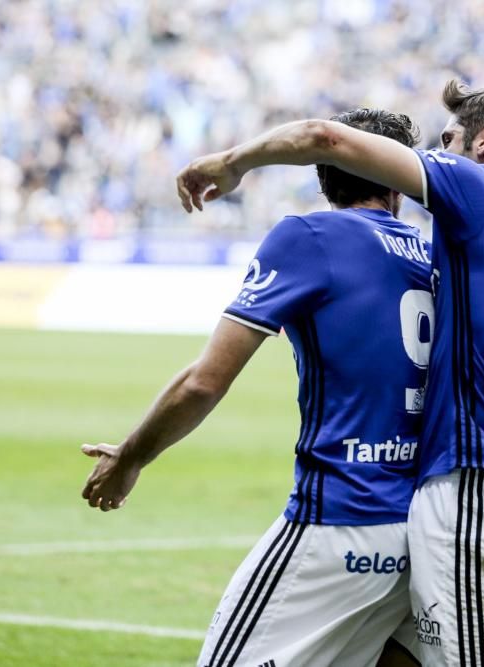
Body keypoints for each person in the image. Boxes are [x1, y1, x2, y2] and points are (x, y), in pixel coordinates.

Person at [176, 80, 484, 667]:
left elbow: (325, 136)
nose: (439, 155)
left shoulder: (482, 191)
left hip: (472, 494)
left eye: (449, 141)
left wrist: (232, 162)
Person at [80, 108, 431, 667]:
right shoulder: (435, 258)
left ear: (323, 173)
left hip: (337, 518)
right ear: (399, 183)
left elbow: (204, 381)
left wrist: (131, 457)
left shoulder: (309, 237)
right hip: (421, 532)